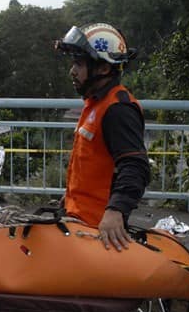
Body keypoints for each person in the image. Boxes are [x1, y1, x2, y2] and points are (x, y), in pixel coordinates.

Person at [55, 23, 150, 252]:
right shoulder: (96, 103)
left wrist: (116, 211)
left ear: (104, 68)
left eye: (79, 64)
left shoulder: (118, 109)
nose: (72, 72)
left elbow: (135, 166)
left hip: (97, 231)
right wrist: (67, 199)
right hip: (77, 220)